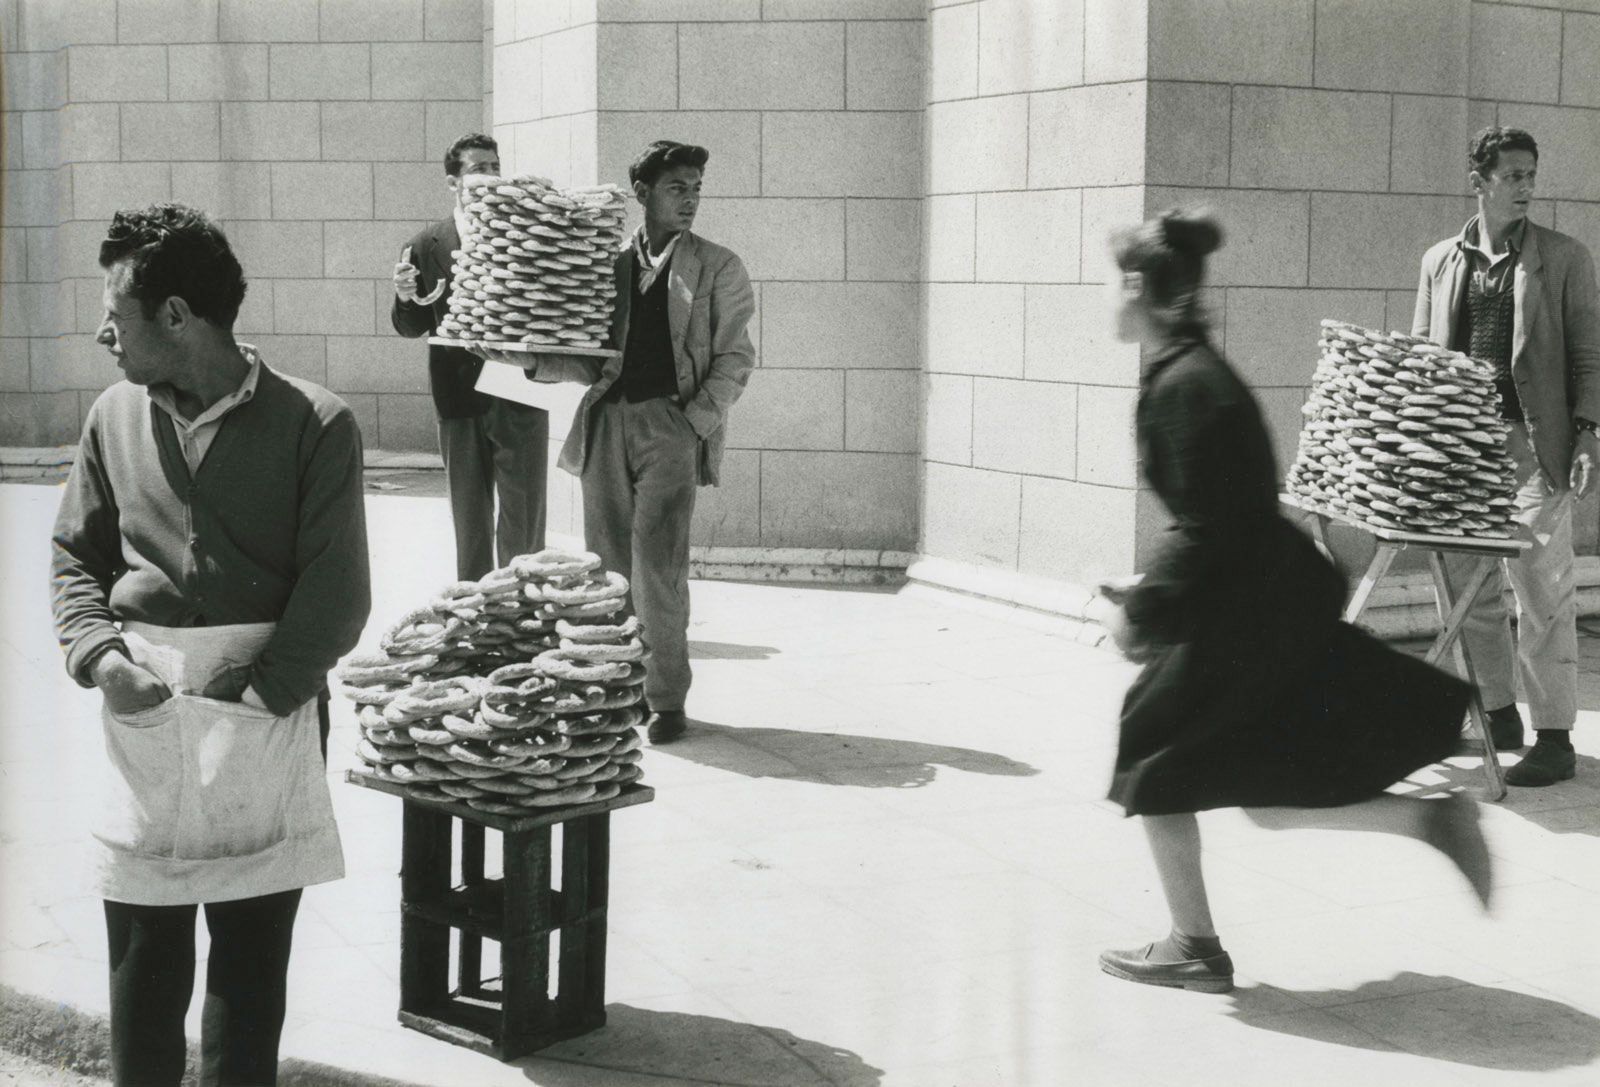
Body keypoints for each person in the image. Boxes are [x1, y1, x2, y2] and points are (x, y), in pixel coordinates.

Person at [1096, 209, 1492, 995]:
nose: (1108, 297)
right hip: (1261, 598)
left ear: (1140, 287)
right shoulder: (1190, 369)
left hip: (1248, 609)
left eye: (1114, 282)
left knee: (1155, 756)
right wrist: (1155, 591)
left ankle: (1195, 947)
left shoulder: (1186, 383)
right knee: (1259, 786)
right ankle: (1430, 819)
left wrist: (1143, 609)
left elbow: (1211, 520)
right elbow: (1221, 516)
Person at [51, 204, 371, 1085]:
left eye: (116, 309)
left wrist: (264, 695)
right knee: (145, 956)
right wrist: (102, 658)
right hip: (145, 711)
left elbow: (337, 594)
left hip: (270, 706)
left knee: (249, 965)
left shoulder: (316, 423)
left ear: (179, 316)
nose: (103, 331)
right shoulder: (111, 418)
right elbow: (75, 554)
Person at [522, 140, 755, 745]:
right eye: (679, 188)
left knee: (659, 569)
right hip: (606, 422)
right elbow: (587, 357)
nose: (691, 201)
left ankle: (666, 699)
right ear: (643, 193)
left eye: (697, 189)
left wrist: (693, 422)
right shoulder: (610, 264)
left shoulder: (718, 266)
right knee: (606, 568)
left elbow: (735, 358)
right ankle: (617, 692)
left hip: (668, 427)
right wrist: (528, 359)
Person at [1413, 126, 1600, 787]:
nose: (1524, 186)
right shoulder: (1439, 260)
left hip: (1532, 442)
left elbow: (1588, 356)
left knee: (1542, 587)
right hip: (1462, 447)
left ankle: (1554, 736)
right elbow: (1421, 359)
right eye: (1511, 175)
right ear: (1480, 181)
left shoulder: (1565, 257)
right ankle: (1497, 714)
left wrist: (1587, 434)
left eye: (1531, 174)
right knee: (1467, 586)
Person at [393, 132, 549, 579]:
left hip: (519, 393)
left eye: (495, 166)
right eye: (479, 169)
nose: (491, 177)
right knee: (470, 518)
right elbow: (411, 326)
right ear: (453, 182)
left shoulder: (525, 233)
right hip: (458, 397)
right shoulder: (425, 245)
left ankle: (522, 611)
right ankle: (479, 614)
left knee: (524, 518)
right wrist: (406, 296)